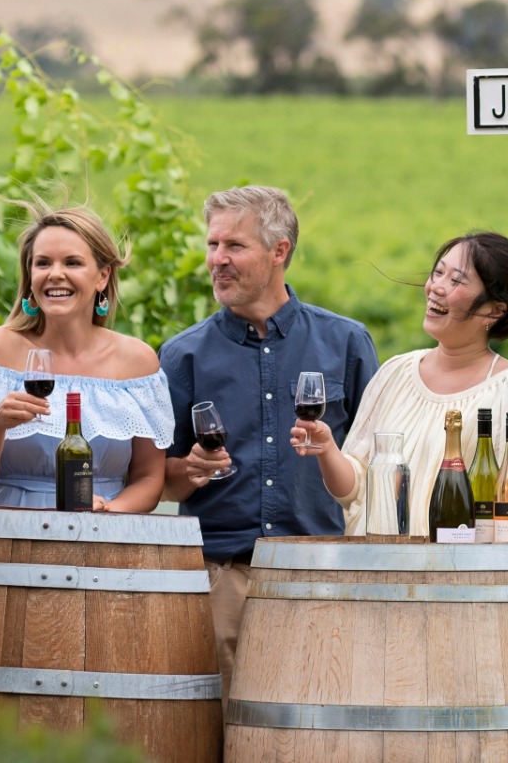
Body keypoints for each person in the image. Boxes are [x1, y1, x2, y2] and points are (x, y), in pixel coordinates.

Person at [161, 185, 380, 683]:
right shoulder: (182, 355)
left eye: (234, 246)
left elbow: (379, 466)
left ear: (279, 251)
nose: (218, 259)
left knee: (319, 737)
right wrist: (191, 470)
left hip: (323, 572)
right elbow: (161, 482)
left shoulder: (346, 343)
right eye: (213, 245)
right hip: (222, 579)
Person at [294, 232, 508, 538]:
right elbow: (353, 490)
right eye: (438, 272)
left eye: (456, 280)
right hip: (376, 572)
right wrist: (326, 449)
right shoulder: (395, 373)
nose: (436, 287)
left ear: (494, 310)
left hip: (460, 578)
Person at [0, 205, 173, 512]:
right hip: (7, 536)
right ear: (30, 276)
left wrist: (107, 512)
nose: (55, 274)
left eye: (72, 263)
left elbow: (149, 479)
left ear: (102, 276)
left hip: (105, 539)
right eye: (42, 263)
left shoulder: (138, 362)